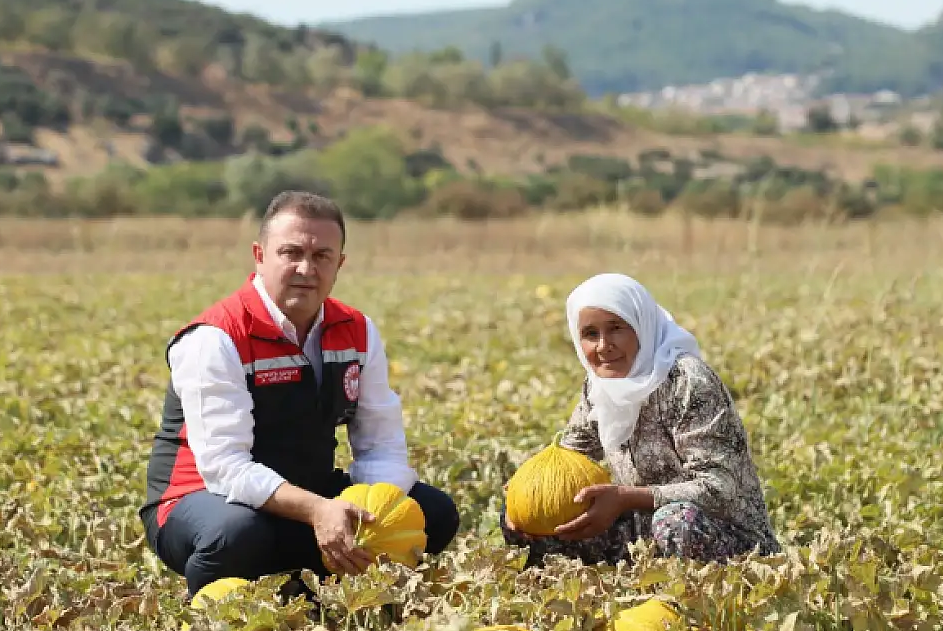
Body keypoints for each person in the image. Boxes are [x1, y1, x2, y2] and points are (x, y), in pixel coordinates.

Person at [141, 191, 460, 596]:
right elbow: (225, 468)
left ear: (339, 264)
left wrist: (376, 515)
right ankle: (219, 601)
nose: (306, 269)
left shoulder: (358, 331)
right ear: (259, 255)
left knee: (432, 514)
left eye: (322, 256)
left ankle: (311, 585)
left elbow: (381, 446)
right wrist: (318, 510)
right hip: (201, 499)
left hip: (306, 493)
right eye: (290, 253)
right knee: (237, 534)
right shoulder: (215, 338)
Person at [503, 272, 781, 567]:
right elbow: (571, 454)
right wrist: (528, 491)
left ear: (641, 326)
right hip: (640, 534)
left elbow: (720, 487)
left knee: (675, 522)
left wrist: (625, 498)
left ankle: (699, 588)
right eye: (591, 334)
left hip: (724, 534)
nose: (603, 346)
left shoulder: (687, 381)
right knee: (531, 524)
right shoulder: (598, 387)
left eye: (616, 329)